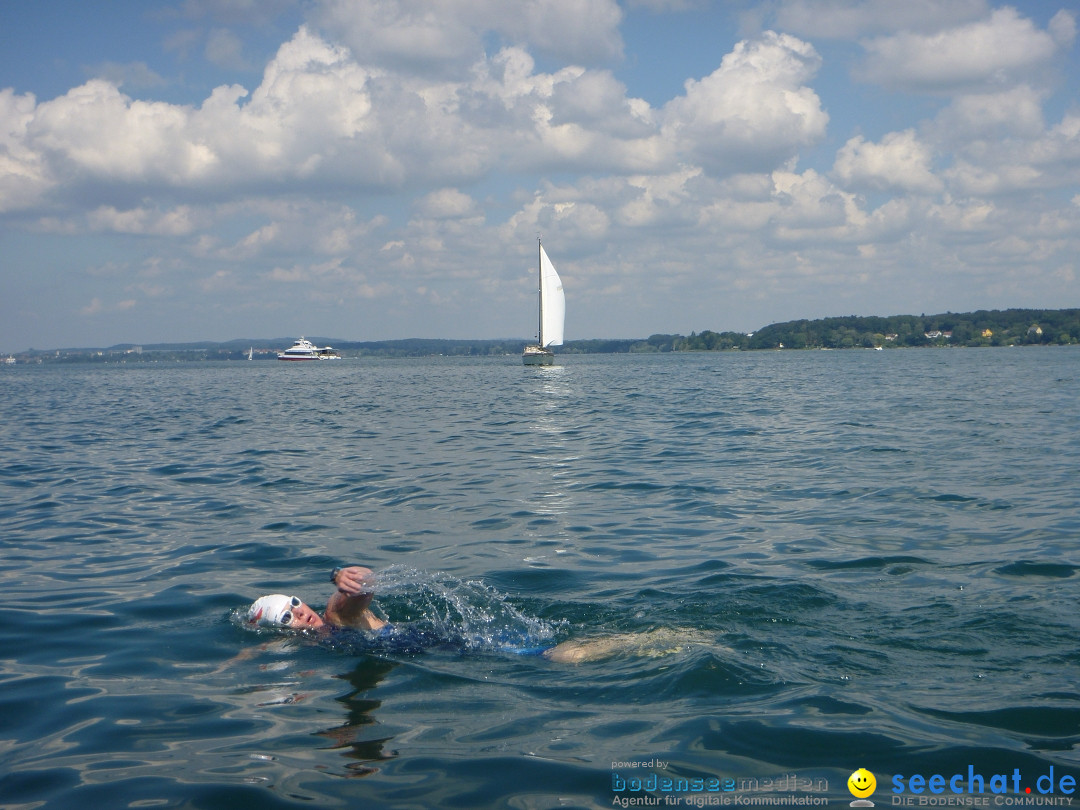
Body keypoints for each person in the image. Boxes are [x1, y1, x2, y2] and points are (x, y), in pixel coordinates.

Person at [247, 565, 693, 663]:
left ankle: (662, 639)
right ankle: (658, 639)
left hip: (445, 641)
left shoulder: (334, 619)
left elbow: (353, 599)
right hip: (447, 647)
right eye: (285, 619)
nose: (298, 616)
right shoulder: (314, 646)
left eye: (293, 605)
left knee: (561, 659)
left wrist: (345, 580)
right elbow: (256, 653)